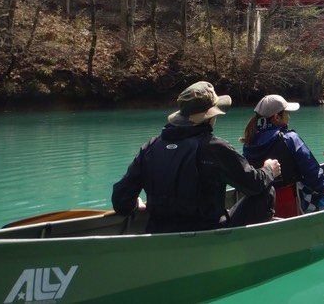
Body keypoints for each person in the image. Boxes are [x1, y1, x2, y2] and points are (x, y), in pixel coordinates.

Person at [111, 81, 281, 233]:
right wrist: (269, 170)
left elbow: (120, 200)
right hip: (207, 234)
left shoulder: (150, 147)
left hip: (158, 232)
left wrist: (134, 204)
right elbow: (253, 185)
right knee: (266, 191)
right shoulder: (214, 147)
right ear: (210, 115)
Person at [242, 94, 324, 213]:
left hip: (260, 205)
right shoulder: (290, 138)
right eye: (286, 113)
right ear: (277, 117)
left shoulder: (249, 142)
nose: (289, 117)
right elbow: (311, 173)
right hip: (290, 201)